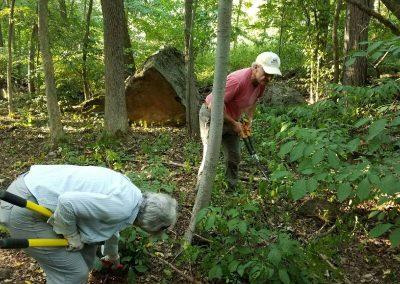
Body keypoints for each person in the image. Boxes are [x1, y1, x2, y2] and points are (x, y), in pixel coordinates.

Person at [0, 165, 177, 284]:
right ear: (152, 224)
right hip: (24, 205)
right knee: (73, 273)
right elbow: (67, 202)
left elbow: (111, 228)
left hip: (36, 190)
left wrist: (111, 256)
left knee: (87, 256)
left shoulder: (132, 197)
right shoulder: (122, 207)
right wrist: (71, 236)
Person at [198, 52, 282, 190]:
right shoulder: (237, 80)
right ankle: (201, 191)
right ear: (255, 67)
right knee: (210, 156)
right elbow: (214, 105)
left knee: (234, 156)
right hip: (212, 116)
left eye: (272, 75)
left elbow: (253, 101)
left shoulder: (261, 83)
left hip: (232, 120)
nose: (268, 77)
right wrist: (233, 123)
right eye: (266, 72)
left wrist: (249, 120)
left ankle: (231, 189)